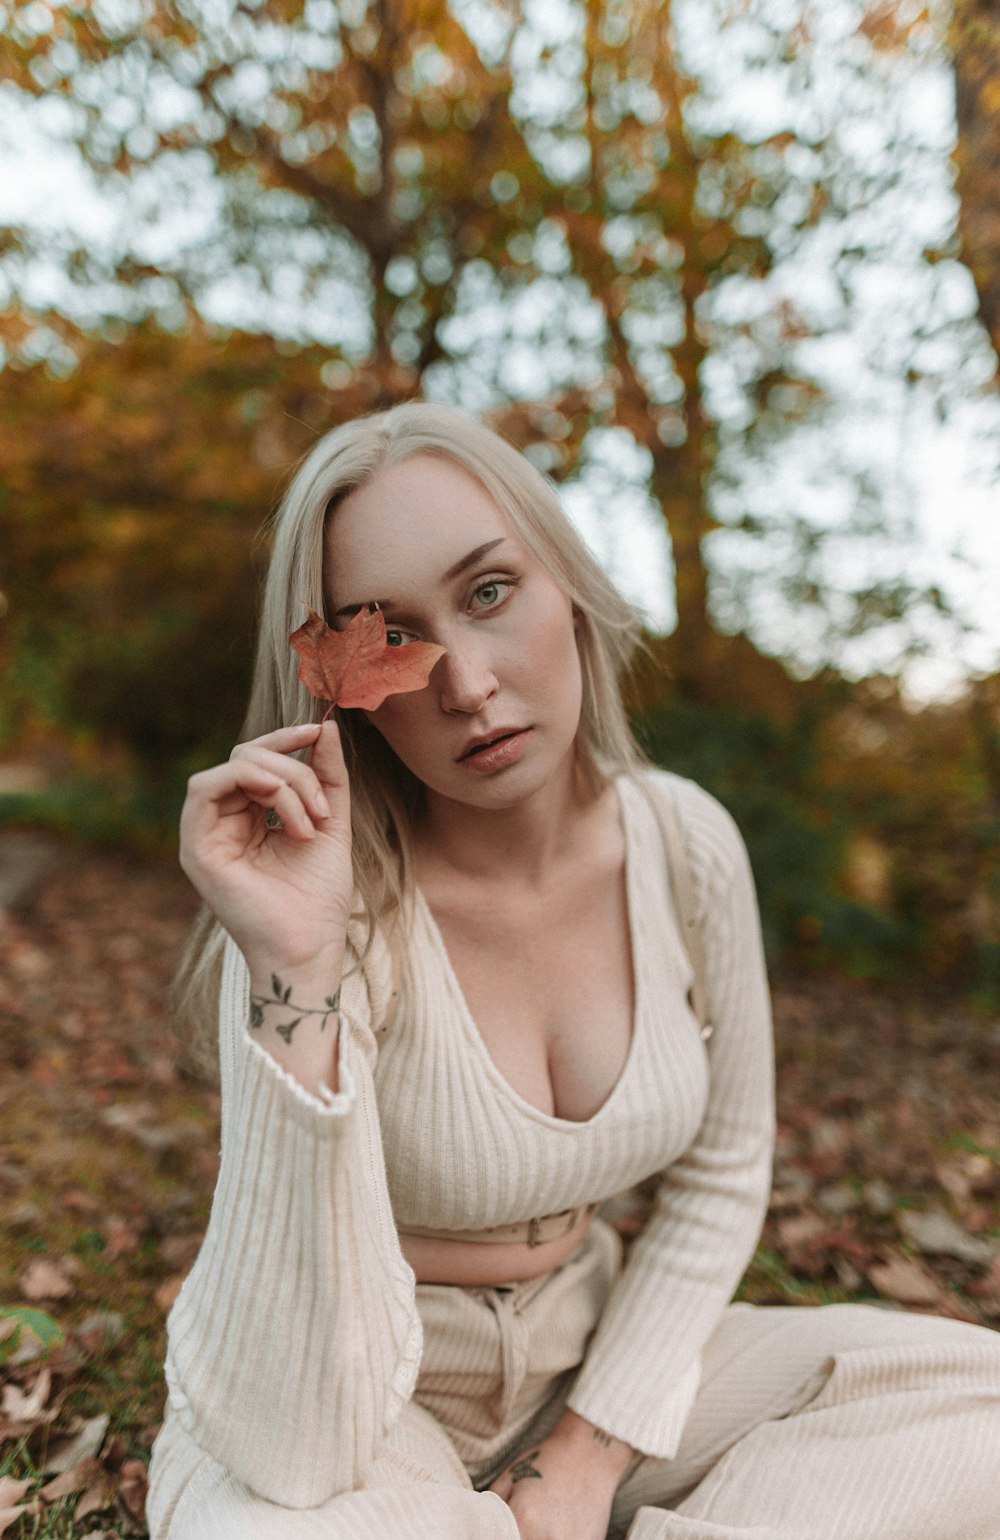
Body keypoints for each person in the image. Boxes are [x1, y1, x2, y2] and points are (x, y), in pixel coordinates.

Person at [146, 401, 1000, 1540]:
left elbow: (720, 1170)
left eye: (489, 592)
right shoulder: (307, 908)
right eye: (390, 635)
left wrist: (588, 1453)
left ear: (571, 584)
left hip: (587, 1353)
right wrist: (294, 961)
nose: (465, 686)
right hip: (361, 1394)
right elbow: (292, 1435)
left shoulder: (683, 840)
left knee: (975, 1407)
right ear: (336, 688)